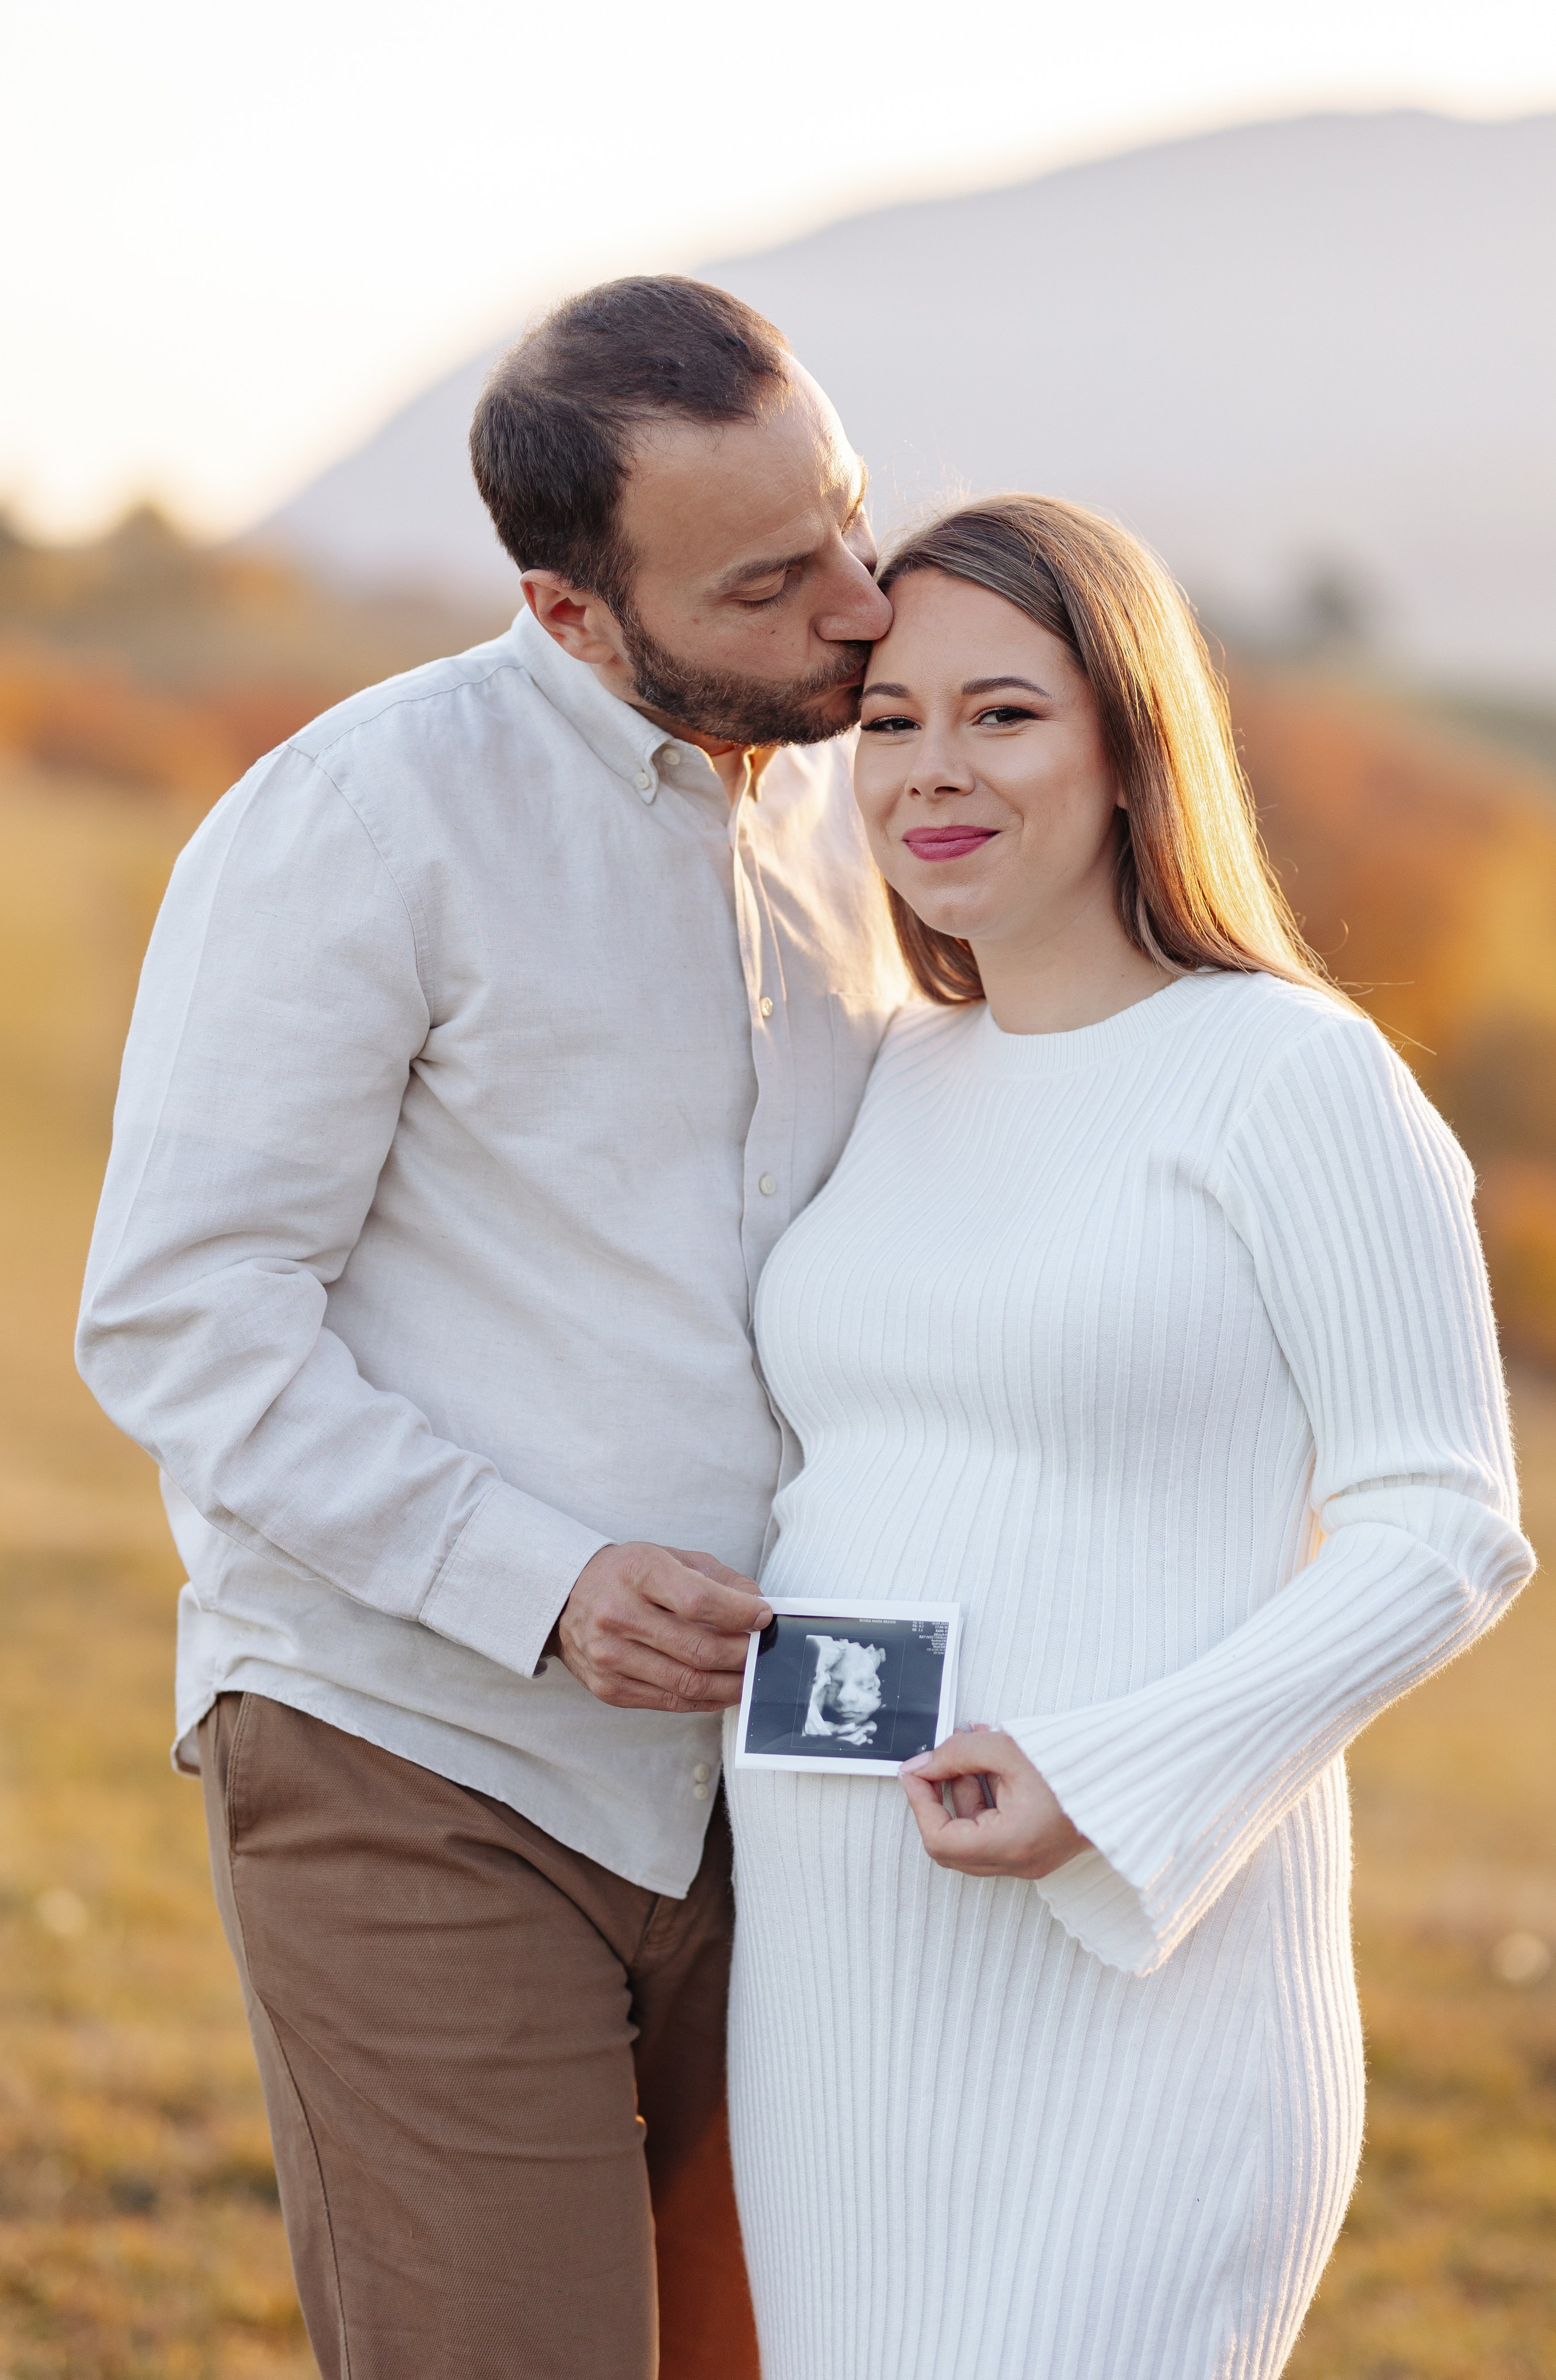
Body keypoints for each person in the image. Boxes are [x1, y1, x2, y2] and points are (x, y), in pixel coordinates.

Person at [76, 275, 908, 2380]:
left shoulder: (865, 806)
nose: (864, 602)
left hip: (783, 1790)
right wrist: (541, 1587)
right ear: (567, 613)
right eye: (772, 579)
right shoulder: (358, 825)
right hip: (419, 1755)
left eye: (851, 519)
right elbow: (181, 1316)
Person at [725, 495, 1536, 2380]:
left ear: (1128, 747)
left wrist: (1111, 1775)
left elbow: (1447, 1524)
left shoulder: (1292, 1075)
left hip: (1134, 1979)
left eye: (1002, 714)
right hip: (839, 1996)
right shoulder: (890, 1080)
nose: (933, 770)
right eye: (891, 719)